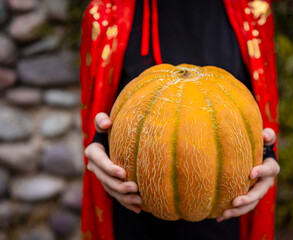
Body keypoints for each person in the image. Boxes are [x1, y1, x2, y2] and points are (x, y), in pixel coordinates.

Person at [80, 0, 280, 239]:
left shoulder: (252, 10)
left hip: (224, 220)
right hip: (131, 214)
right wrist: (98, 146)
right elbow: (99, 110)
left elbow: (259, 110)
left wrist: (267, 155)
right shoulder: (106, 13)